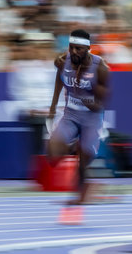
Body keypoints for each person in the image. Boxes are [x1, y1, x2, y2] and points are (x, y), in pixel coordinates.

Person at [47, 29, 110, 205]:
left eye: (79, 49)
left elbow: (100, 104)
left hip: (91, 118)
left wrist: (81, 93)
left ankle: (80, 195)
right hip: (71, 115)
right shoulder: (62, 61)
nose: (74, 52)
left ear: (88, 49)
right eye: (71, 48)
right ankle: (75, 147)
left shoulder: (101, 69)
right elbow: (59, 78)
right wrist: (53, 106)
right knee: (52, 154)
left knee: (84, 161)